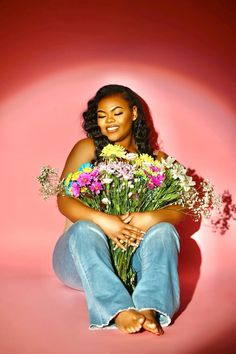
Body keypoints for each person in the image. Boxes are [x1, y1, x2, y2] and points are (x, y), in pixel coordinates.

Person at [52, 84, 185, 335]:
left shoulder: (157, 160)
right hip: (80, 258)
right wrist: (104, 221)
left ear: (134, 113)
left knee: (164, 230)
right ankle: (116, 310)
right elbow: (63, 200)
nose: (109, 121)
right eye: (102, 116)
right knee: (85, 229)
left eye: (117, 112)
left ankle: (149, 306)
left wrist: (150, 217)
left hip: (131, 266)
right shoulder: (88, 148)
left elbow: (179, 209)